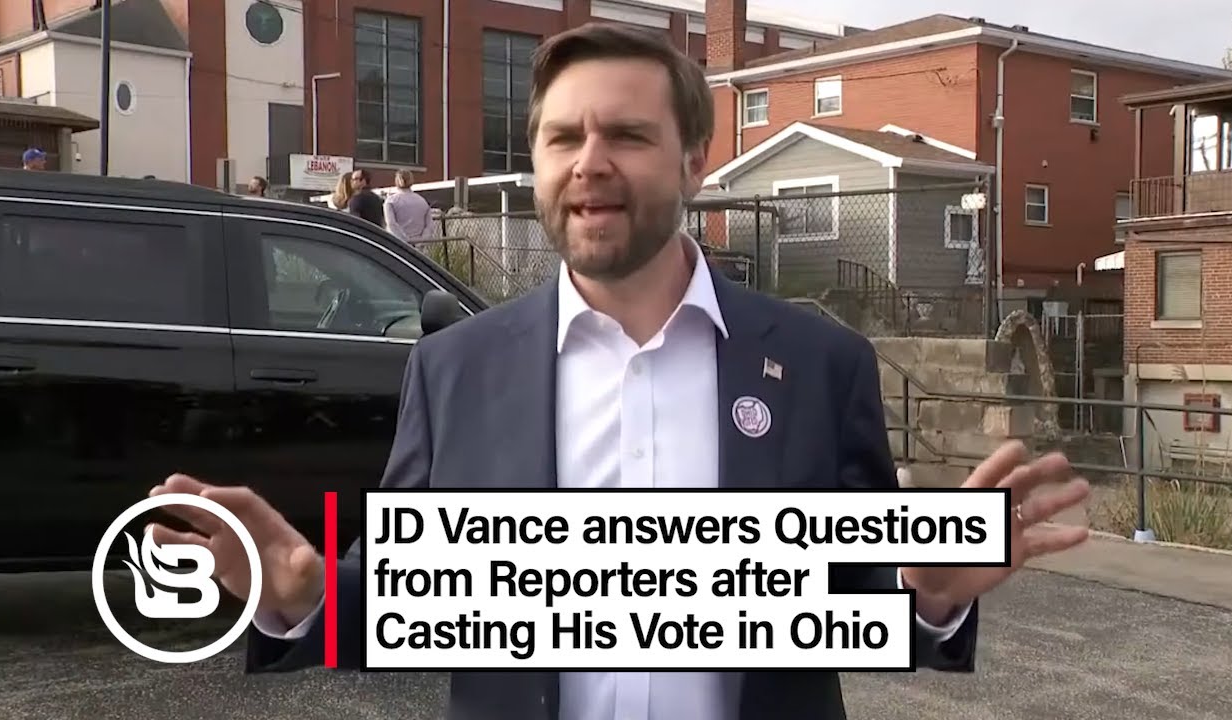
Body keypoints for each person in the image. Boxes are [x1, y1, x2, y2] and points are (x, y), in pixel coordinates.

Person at [146, 22, 1090, 720]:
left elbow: (858, 587)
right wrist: (308, 598)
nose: (589, 163)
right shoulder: (454, 370)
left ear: (692, 159)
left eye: (628, 137)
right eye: (564, 139)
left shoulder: (819, 364)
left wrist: (924, 597)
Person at [383, 169, 435, 243]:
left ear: (396, 181)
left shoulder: (391, 201)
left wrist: (405, 241)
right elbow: (429, 226)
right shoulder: (422, 201)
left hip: (397, 244)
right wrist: (421, 241)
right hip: (418, 245)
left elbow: (391, 224)